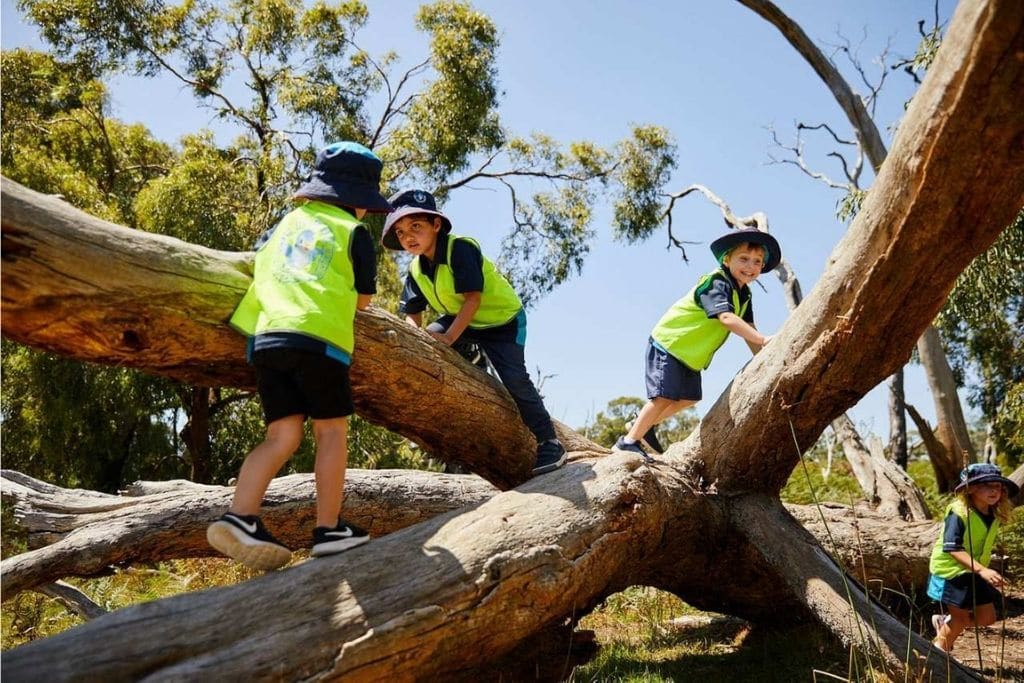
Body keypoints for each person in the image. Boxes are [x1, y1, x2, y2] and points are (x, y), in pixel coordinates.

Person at [206, 141, 392, 570]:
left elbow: (259, 262)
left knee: (281, 437)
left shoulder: (285, 223)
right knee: (330, 433)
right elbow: (363, 301)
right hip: (319, 340)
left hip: (267, 338)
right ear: (358, 202)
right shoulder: (353, 233)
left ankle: (242, 516)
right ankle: (329, 529)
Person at [380, 189, 566, 476]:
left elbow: (473, 300)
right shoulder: (416, 269)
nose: (408, 237)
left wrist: (449, 339)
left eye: (416, 226)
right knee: (427, 345)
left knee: (515, 380)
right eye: (401, 232)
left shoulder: (460, 249)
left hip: (501, 323)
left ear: (436, 225)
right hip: (461, 321)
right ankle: (470, 362)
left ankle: (549, 441)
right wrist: (415, 338)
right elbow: (412, 313)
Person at [614, 228, 781, 460]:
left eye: (757, 262)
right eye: (743, 259)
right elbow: (726, 318)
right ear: (727, 259)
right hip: (671, 343)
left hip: (690, 355)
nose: (750, 266)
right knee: (662, 397)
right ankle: (627, 442)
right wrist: (763, 340)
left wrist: (761, 356)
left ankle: (639, 424)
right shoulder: (717, 283)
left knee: (690, 398)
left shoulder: (745, 295)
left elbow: (749, 328)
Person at [927, 463, 1017, 654]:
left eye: (998, 487)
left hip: (973, 570)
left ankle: (945, 622)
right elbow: (952, 548)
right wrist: (983, 570)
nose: (995, 490)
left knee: (988, 618)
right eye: (987, 485)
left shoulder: (993, 512)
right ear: (971, 488)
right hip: (951, 570)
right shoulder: (958, 512)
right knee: (959, 620)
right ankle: (936, 657)